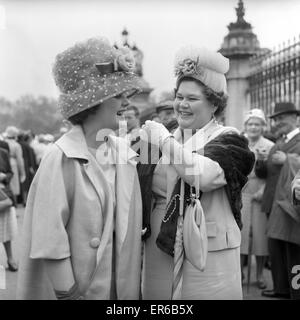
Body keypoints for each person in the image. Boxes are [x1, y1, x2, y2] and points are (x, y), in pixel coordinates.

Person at [17, 37, 143, 300]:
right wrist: (70, 293)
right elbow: (50, 240)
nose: (127, 103)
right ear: (92, 102)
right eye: (118, 95)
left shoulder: (125, 154)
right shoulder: (60, 157)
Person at [139, 45, 254, 300]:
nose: (181, 105)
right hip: (159, 245)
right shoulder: (166, 136)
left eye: (192, 99)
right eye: (179, 97)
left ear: (214, 103)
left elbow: (202, 175)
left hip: (206, 250)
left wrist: (164, 141)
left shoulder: (230, 140)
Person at [257, 102, 300, 300]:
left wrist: (288, 159)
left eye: (282, 118)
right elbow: (266, 172)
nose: (278, 122)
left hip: (291, 204)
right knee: (276, 249)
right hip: (273, 202)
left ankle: (295, 290)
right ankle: (281, 288)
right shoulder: (278, 141)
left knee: (294, 252)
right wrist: (260, 160)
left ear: (294, 117)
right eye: (275, 119)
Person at [240, 109, 274, 289]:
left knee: (260, 236)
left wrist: (264, 190)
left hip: (261, 193)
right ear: (245, 126)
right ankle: (239, 272)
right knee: (241, 234)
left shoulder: (269, 145)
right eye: (250, 124)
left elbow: (274, 173)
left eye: (257, 124)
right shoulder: (239, 142)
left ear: (263, 127)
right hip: (242, 194)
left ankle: (260, 275)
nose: (253, 127)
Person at [0, 146, 18, 272]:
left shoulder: (3, 152)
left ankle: (10, 258)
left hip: (3, 194)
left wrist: (4, 177)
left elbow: (11, 172)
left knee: (5, 229)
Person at [4, 126, 26, 203]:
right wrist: (23, 173)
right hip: (13, 165)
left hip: (3, 165)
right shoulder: (16, 145)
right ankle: (14, 205)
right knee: (14, 186)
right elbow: (20, 160)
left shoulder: (3, 142)